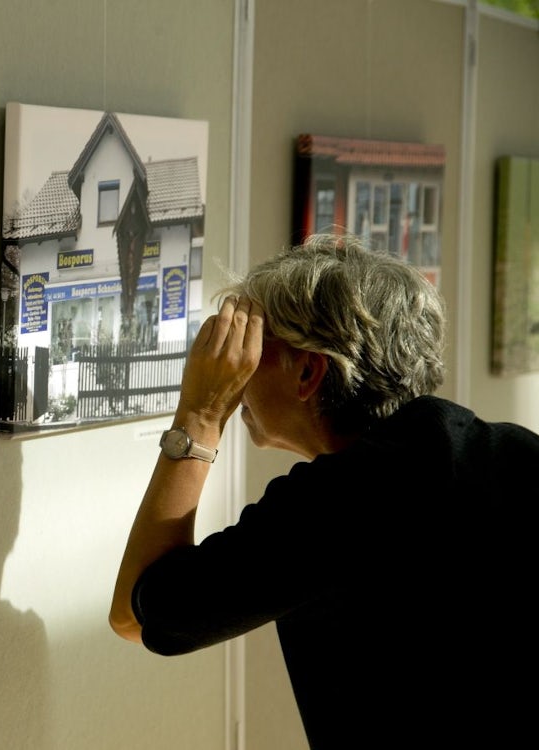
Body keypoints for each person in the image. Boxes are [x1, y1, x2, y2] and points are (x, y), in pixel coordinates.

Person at [109, 233, 537, 749]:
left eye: (248, 350)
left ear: (309, 370)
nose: (236, 373)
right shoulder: (513, 449)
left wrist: (200, 415)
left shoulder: (341, 503)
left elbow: (138, 614)